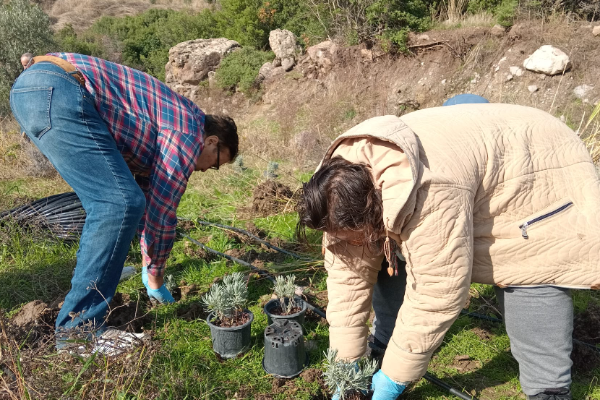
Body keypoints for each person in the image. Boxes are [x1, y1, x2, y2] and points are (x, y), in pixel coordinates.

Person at [297, 101, 600, 400]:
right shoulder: (338, 186)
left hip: (539, 164)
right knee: (380, 251)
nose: (349, 244)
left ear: (373, 208)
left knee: (528, 271)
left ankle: (548, 388)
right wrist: (346, 365)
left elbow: (437, 290)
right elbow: (348, 277)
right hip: (472, 152)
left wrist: (394, 379)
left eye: (353, 236)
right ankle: (385, 343)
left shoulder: (432, 191)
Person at [10, 53, 238, 349]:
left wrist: (146, 260)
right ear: (211, 142)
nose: (209, 169)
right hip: (60, 89)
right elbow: (162, 209)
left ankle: (104, 276)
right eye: (217, 163)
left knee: (118, 199)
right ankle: (79, 333)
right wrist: (155, 278)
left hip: (35, 90)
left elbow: (146, 196)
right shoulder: (187, 131)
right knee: (117, 204)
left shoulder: (172, 122)